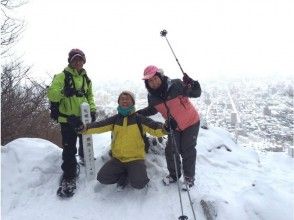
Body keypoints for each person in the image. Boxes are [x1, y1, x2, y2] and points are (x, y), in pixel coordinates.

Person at [80, 91, 168, 190]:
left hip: (135, 159)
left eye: (127, 99)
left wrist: (165, 128)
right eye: (122, 99)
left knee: (139, 184)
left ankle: (133, 173)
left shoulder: (139, 119)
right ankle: (125, 174)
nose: (124, 100)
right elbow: (99, 125)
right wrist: (84, 128)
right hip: (118, 159)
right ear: (119, 102)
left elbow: (155, 127)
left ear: (133, 102)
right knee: (103, 178)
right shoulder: (115, 120)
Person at [137, 65, 201, 188]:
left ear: (160, 76)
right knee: (171, 150)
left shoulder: (176, 84)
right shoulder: (152, 96)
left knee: (187, 150)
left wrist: (193, 84)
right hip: (173, 126)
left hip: (191, 122)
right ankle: (174, 175)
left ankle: (189, 177)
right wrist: (138, 113)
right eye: (149, 81)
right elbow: (153, 109)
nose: (153, 82)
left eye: (155, 78)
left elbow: (196, 93)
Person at [47, 48, 96, 197]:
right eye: (75, 59)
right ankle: (69, 176)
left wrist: (92, 110)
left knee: (84, 139)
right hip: (67, 119)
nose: (78, 62)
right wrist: (63, 92)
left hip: (82, 117)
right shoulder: (61, 76)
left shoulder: (86, 78)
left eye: (80, 59)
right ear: (70, 61)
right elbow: (51, 94)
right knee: (69, 148)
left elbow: (89, 96)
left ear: (84, 61)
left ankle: (84, 157)